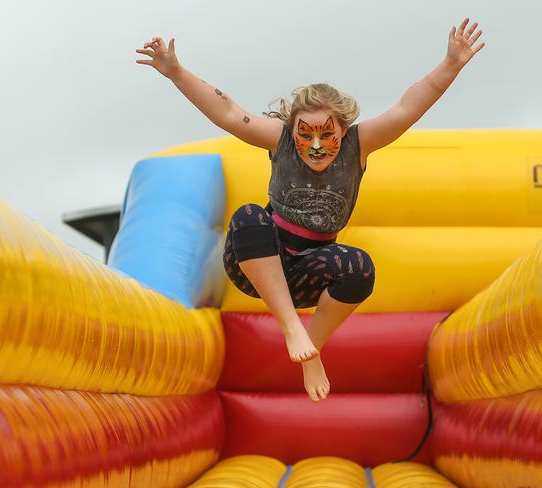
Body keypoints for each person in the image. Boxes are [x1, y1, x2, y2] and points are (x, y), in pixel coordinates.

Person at [136, 18, 485, 402]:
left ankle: (310, 351)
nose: (316, 146)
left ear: (342, 129)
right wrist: (175, 72)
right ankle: (290, 327)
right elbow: (229, 113)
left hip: (309, 271)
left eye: (326, 135)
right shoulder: (279, 140)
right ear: (293, 129)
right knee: (249, 215)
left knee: (361, 267)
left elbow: (408, 107)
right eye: (306, 134)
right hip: (256, 264)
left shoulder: (360, 144)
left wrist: (451, 64)